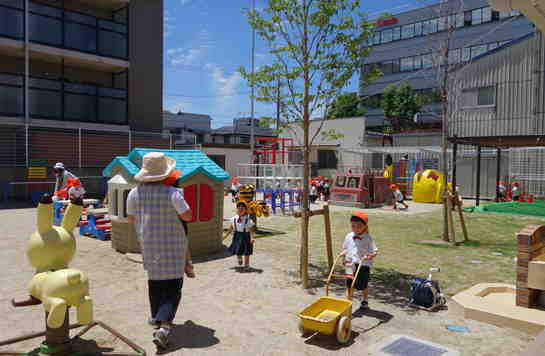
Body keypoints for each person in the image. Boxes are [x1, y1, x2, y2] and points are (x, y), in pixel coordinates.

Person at [126, 152, 194, 350]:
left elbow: (131, 219)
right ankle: (164, 327)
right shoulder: (173, 193)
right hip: (173, 246)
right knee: (173, 287)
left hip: (149, 245)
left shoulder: (134, 193)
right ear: (165, 174)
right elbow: (188, 216)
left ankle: (156, 317)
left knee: (155, 284)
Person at [340, 211, 378, 310]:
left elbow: (374, 251)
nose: (355, 228)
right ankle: (349, 300)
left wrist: (370, 256)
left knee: (362, 284)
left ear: (365, 226)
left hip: (363, 264)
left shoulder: (368, 238)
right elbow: (345, 248)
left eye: (359, 226)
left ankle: (365, 300)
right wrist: (343, 255)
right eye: (353, 226)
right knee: (349, 282)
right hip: (350, 263)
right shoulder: (348, 236)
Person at [225, 201, 256, 269]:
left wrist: (252, 238)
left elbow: (251, 230)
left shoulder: (247, 219)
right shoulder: (234, 218)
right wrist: (224, 236)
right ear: (237, 209)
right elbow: (230, 229)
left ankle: (247, 264)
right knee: (237, 249)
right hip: (237, 236)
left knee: (246, 251)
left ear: (246, 210)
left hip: (246, 236)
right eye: (239, 208)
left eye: (242, 208)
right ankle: (239, 258)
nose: (240, 209)